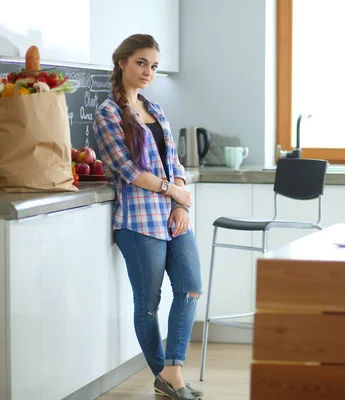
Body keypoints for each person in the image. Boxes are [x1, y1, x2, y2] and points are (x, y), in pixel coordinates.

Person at [93, 34, 203, 400]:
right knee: (149, 302)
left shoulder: (155, 110)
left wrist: (181, 205)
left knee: (190, 288)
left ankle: (171, 371)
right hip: (138, 221)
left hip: (172, 218)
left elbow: (174, 163)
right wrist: (173, 192)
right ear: (122, 62)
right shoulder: (108, 113)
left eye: (153, 66)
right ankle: (169, 378)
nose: (148, 72)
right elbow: (127, 169)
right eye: (141, 62)